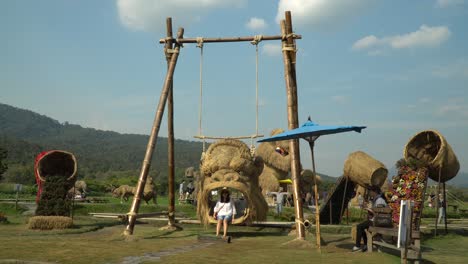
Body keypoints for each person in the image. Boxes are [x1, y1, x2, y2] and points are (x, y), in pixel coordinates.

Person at [353, 187, 387, 252]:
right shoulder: (377, 199)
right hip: (376, 220)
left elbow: (379, 213)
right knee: (361, 226)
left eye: (370, 192)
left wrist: (369, 210)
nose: (369, 193)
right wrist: (368, 209)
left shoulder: (379, 200)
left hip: (378, 221)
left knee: (359, 226)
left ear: (374, 192)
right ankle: (365, 245)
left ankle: (358, 246)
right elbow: (377, 212)